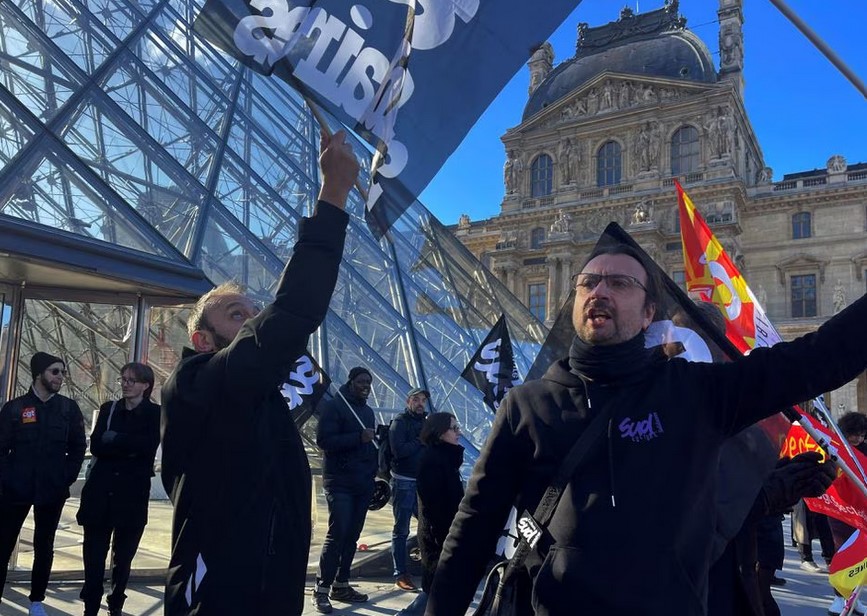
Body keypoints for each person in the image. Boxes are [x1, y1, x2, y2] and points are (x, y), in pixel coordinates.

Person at [426, 243, 867, 615]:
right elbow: (473, 530)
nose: (600, 291)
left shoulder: (696, 394)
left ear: (648, 314)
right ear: (574, 301)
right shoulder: (526, 404)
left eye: (619, 283)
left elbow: (813, 360)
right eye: (588, 282)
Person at [160, 130, 358, 616]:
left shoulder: (259, 395)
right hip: (217, 592)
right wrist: (332, 198)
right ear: (202, 340)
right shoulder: (195, 382)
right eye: (235, 314)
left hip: (272, 589)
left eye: (251, 310)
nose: (250, 319)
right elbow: (290, 314)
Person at [0, 352, 86, 616]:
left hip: (52, 488)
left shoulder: (68, 409)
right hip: (16, 489)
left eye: (62, 372)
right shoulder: (14, 409)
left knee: (44, 545)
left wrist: (66, 477)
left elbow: (78, 446)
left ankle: (37, 600)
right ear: (39, 374)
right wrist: (8, 479)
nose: (60, 377)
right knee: (3, 543)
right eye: (54, 372)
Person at [77, 362, 160, 616]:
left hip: (131, 498)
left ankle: (116, 604)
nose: (125, 384)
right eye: (123, 379)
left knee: (123, 559)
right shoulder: (108, 409)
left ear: (146, 385)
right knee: (93, 557)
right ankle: (90, 607)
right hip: (101, 495)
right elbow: (98, 446)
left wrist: (116, 439)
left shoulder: (156, 414)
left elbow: (147, 447)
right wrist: (128, 446)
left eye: (131, 380)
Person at [312, 367, 378, 613]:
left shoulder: (368, 412)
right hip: (339, 481)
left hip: (362, 482)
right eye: (362, 381)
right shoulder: (335, 407)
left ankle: (341, 584)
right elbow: (324, 441)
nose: (366, 386)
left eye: (369, 383)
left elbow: (369, 446)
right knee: (337, 534)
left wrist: (374, 475)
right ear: (350, 382)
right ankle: (321, 589)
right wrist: (357, 437)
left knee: (352, 536)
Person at [396, 412, 464, 616]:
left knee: (439, 590)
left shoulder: (446, 457)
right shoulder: (432, 460)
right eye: (454, 428)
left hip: (446, 533)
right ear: (440, 432)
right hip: (438, 536)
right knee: (435, 590)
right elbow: (433, 505)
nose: (459, 432)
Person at [390, 387, 429, 591]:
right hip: (404, 481)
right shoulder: (399, 422)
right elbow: (399, 452)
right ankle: (400, 573)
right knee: (401, 529)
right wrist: (419, 440)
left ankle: (428, 566)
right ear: (408, 401)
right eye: (416, 399)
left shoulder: (426, 422)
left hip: (422, 482)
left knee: (427, 525)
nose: (420, 403)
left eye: (423, 400)